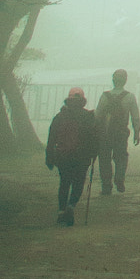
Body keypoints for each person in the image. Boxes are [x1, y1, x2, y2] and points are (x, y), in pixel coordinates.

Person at [45, 88, 99, 227]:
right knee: (78, 182)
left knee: (64, 182)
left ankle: (61, 211)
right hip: (82, 156)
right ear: (82, 102)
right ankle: (71, 206)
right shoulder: (88, 117)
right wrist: (94, 154)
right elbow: (94, 138)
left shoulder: (59, 117)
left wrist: (49, 157)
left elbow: (51, 138)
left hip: (63, 155)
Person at [95, 70, 140, 195]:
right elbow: (135, 116)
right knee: (121, 157)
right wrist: (137, 132)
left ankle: (106, 185)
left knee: (104, 159)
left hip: (105, 133)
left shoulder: (105, 96)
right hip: (121, 133)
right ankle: (119, 178)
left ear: (113, 80)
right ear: (125, 80)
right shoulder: (129, 97)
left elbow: (98, 115)